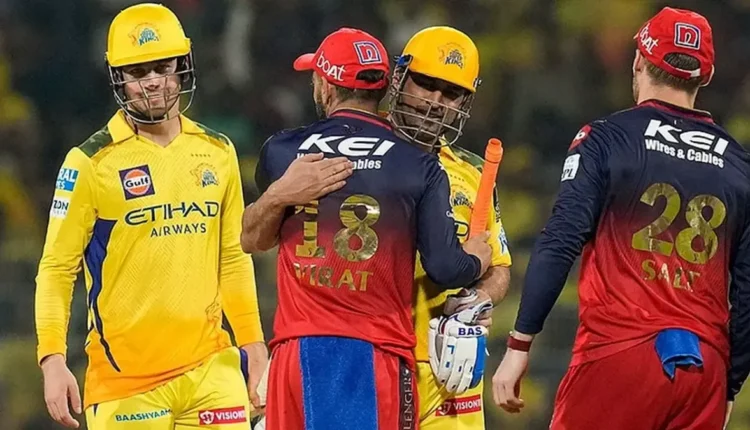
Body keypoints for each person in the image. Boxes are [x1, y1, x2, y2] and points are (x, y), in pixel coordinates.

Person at [492, 7, 750, 429]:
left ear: (639, 61)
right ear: (705, 75)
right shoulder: (740, 166)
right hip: (705, 368)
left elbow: (561, 240)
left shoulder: (606, 140)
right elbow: (747, 291)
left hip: (620, 353)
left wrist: (520, 342)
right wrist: (730, 384)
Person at [240, 27, 493, 430]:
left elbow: (251, 239)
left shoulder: (283, 151)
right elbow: (446, 268)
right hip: (374, 354)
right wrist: (477, 258)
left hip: (294, 350)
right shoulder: (419, 164)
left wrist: (278, 195)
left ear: (325, 85)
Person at [35, 4, 267, 429]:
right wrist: (52, 358)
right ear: (118, 78)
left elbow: (233, 257)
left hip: (212, 369)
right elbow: (56, 268)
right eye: (138, 72)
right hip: (125, 383)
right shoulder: (90, 162)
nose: (154, 81)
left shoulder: (217, 151)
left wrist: (253, 342)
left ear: (181, 67)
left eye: (163, 67)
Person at [387, 26, 513, 429]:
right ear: (399, 78)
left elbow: (499, 267)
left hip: (449, 369)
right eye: (426, 84)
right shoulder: (360, 156)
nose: (435, 102)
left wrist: (477, 301)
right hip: (375, 359)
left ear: (466, 102)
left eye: (451, 93)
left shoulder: (473, 172)